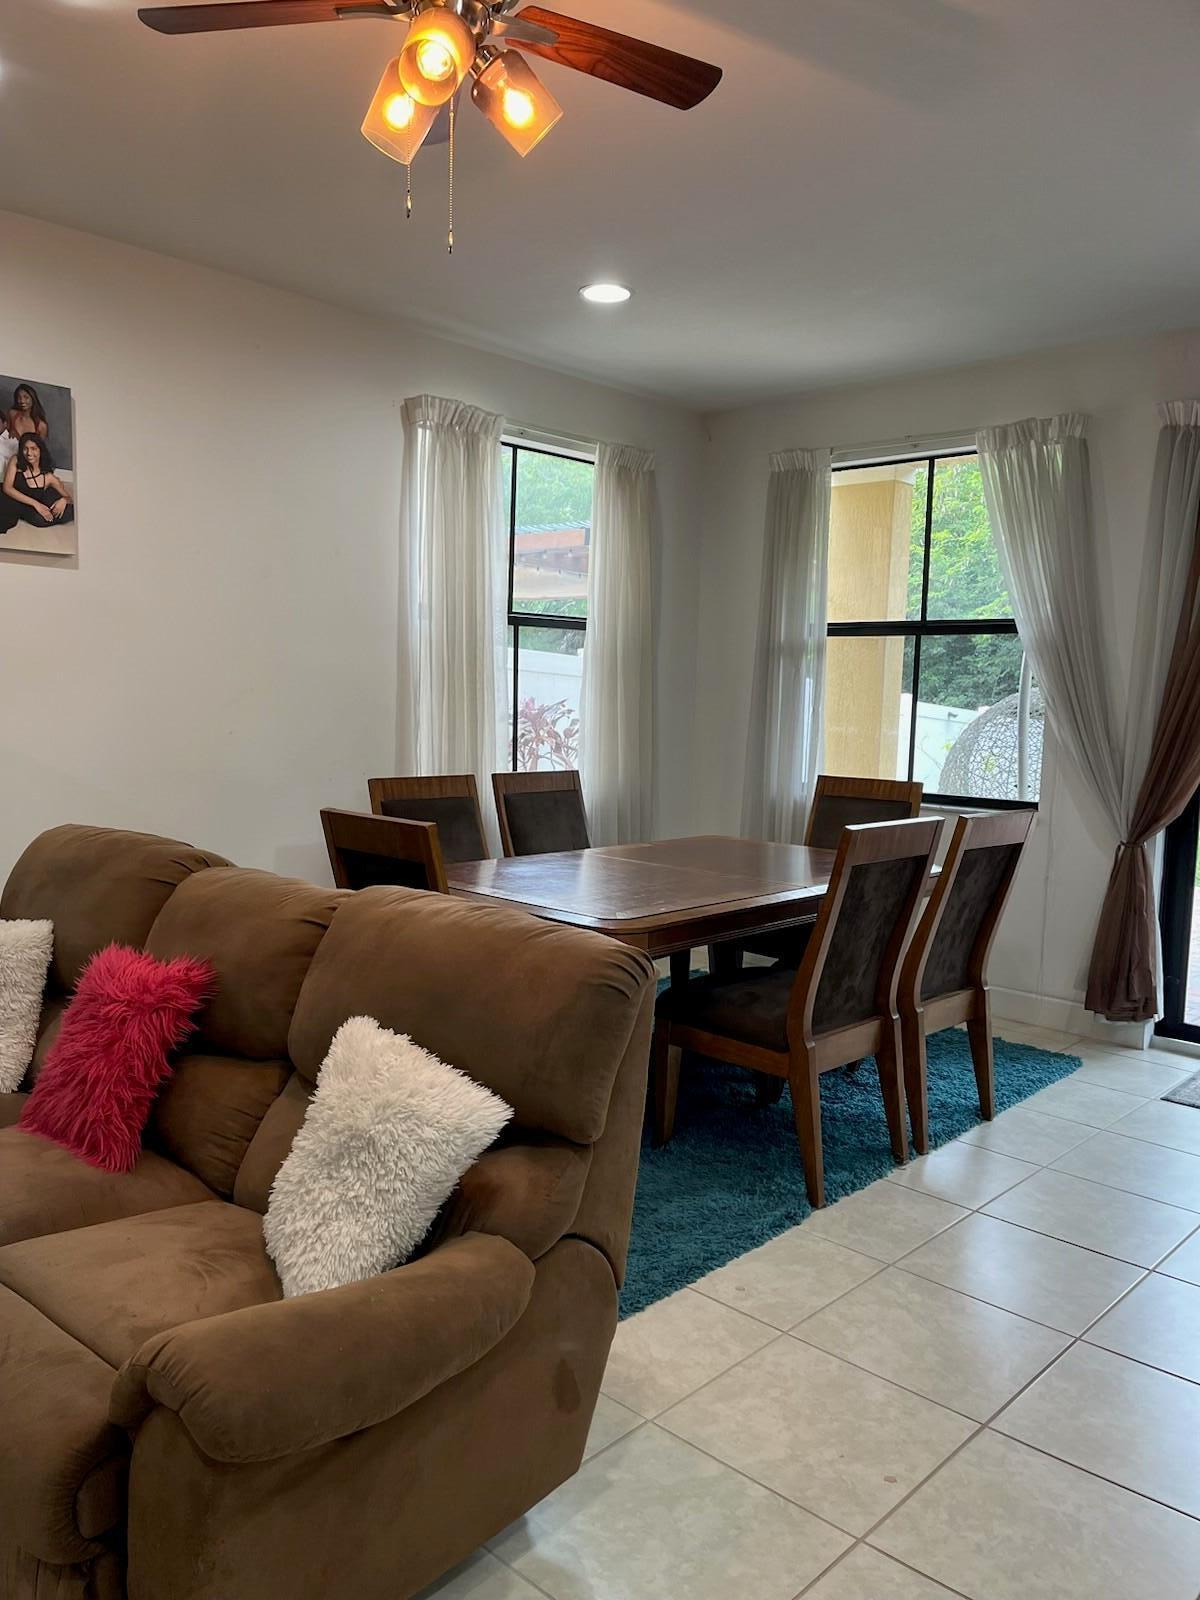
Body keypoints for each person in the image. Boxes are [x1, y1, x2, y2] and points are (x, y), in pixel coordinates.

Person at [1, 433, 73, 533]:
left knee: (64, 512)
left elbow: (68, 497)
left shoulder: (49, 477)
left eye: (33, 448)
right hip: (9, 499)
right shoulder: (16, 460)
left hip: (28, 505)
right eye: (25, 449)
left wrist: (64, 500)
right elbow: (7, 488)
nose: (29, 453)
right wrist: (36, 504)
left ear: (40, 450)